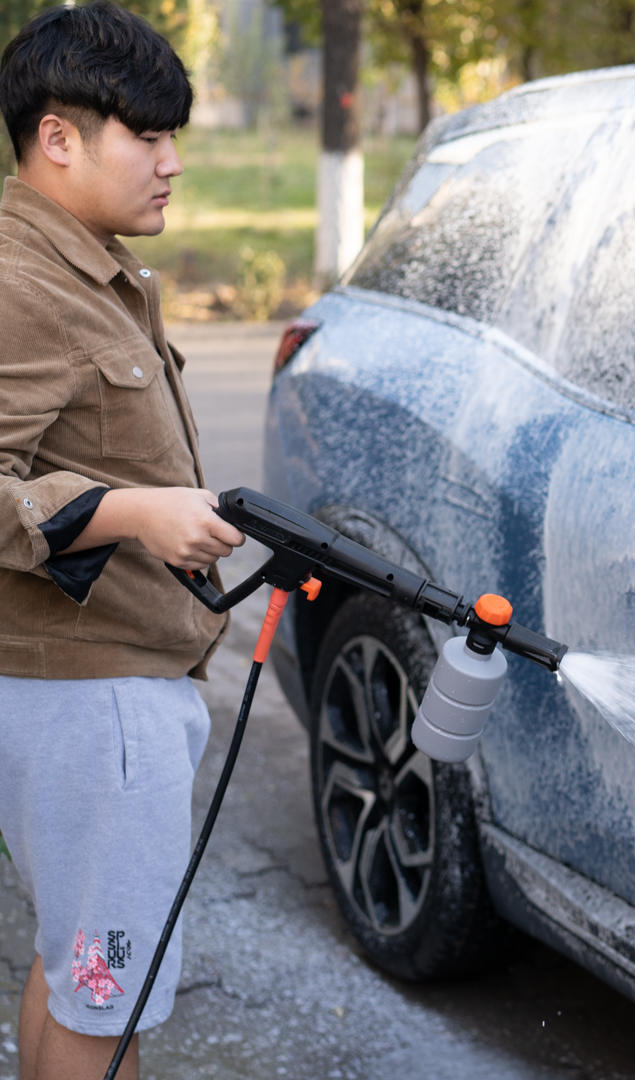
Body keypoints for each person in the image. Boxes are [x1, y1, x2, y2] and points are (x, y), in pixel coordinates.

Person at [0, 4, 245, 1077]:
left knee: (75, 963)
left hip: (99, 693)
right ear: (59, 137)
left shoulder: (77, 264)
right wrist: (137, 513)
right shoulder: (20, 288)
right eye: (146, 137)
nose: (171, 163)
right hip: (92, 706)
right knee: (109, 1006)